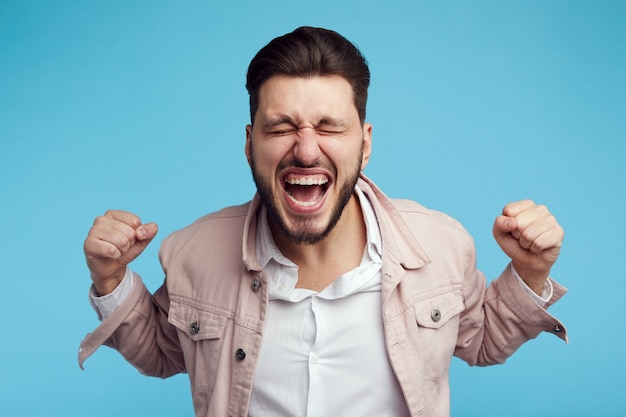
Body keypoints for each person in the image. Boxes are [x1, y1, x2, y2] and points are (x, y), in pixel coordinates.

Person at [78, 26, 567, 417]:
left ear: (365, 142)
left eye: (330, 126)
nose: (307, 149)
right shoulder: (194, 254)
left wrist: (529, 274)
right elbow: (165, 351)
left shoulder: (440, 245)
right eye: (282, 127)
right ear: (250, 144)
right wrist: (112, 280)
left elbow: (481, 339)